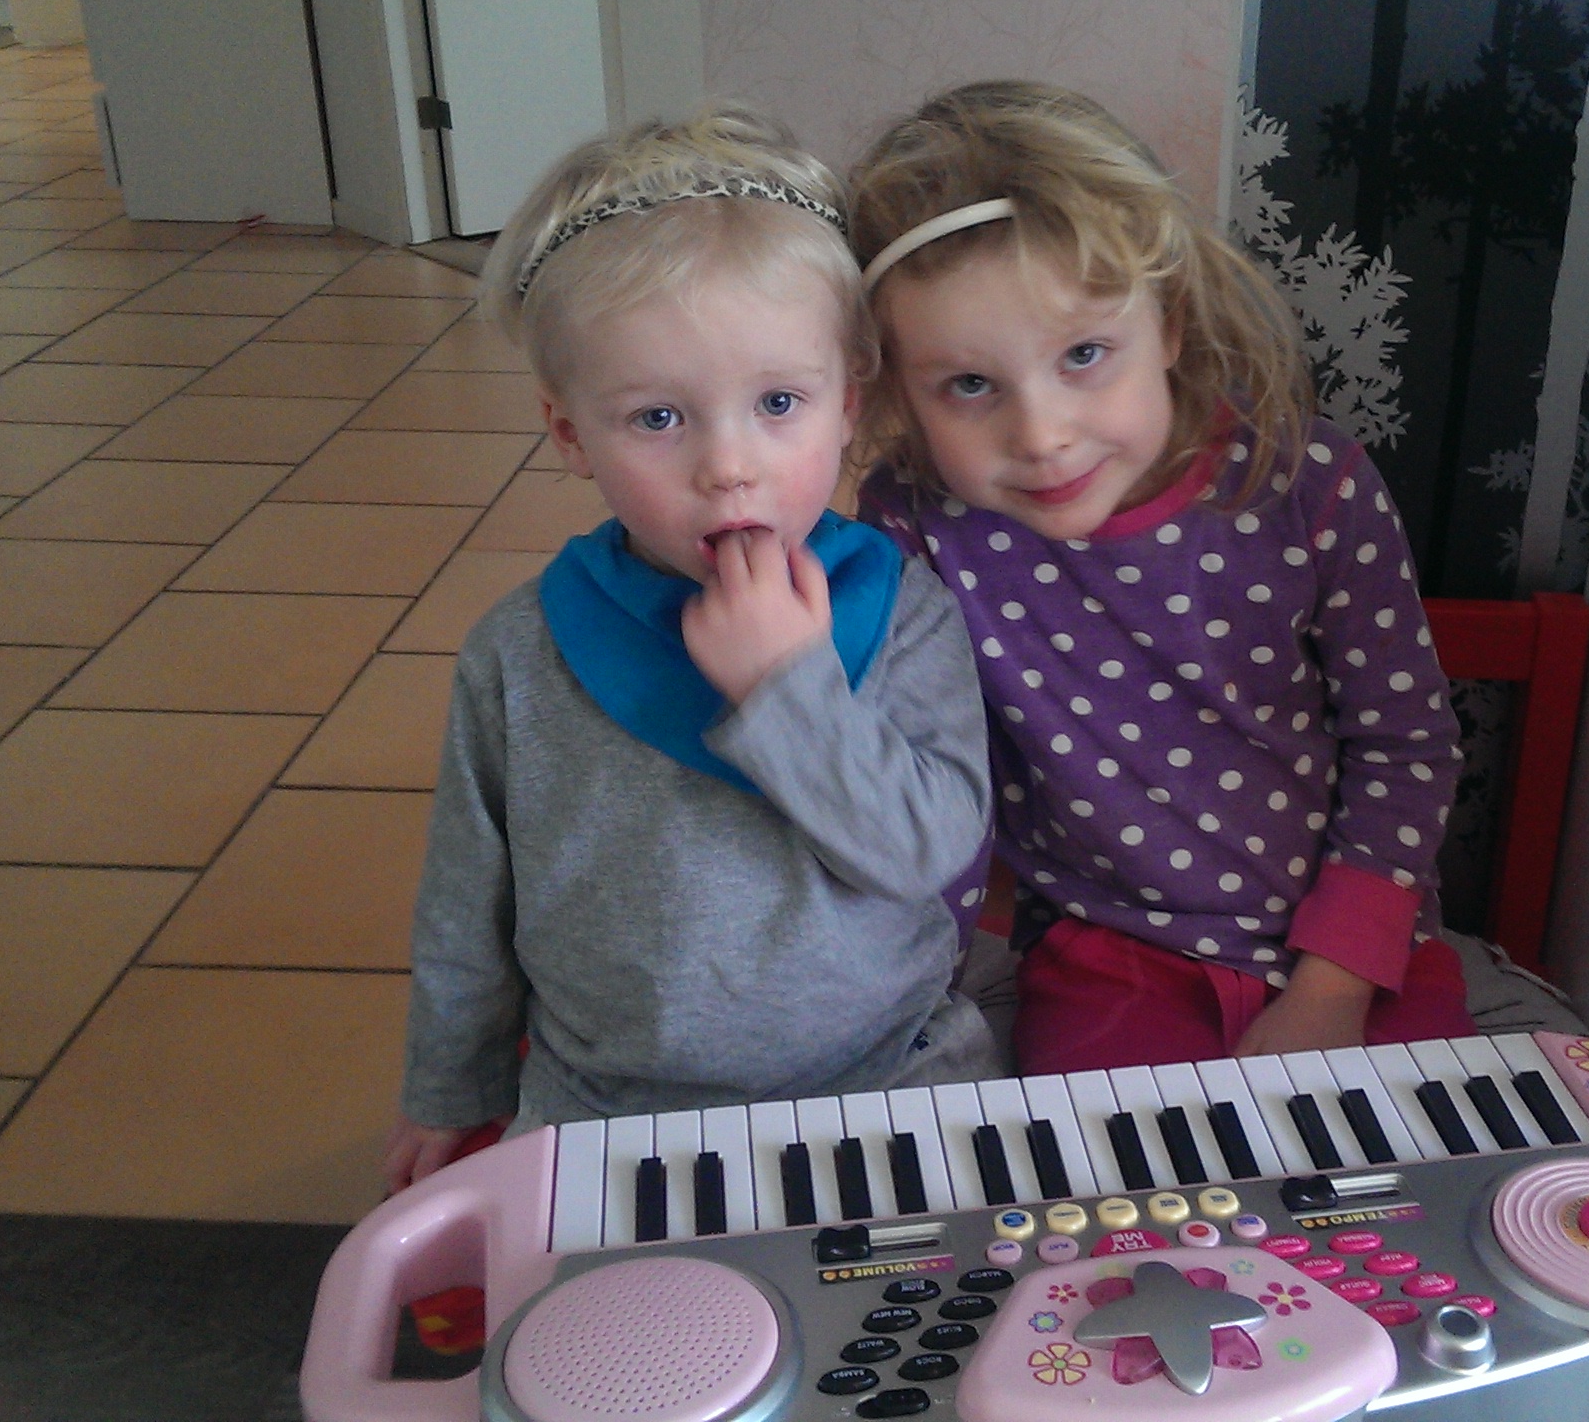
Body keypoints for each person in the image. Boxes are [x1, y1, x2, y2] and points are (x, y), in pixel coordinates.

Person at [384, 107, 997, 1192]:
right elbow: (467, 901)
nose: (729, 466)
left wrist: (787, 687)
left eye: (779, 403)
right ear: (569, 432)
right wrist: (451, 1087)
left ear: (848, 405)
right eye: (658, 419)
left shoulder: (903, 612)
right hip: (604, 1099)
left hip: (890, 1069)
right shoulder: (520, 651)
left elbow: (926, 850)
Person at [851, 82, 1478, 1076]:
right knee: (1111, 1177)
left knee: (1415, 1163)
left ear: (1170, 325)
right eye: (970, 384)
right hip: (1108, 956)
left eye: (1084, 354)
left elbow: (1405, 743)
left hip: (1356, 948)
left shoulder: (1308, 482)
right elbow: (931, 786)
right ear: (898, 388)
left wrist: (1332, 986)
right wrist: (912, 998)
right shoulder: (915, 523)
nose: (1041, 434)